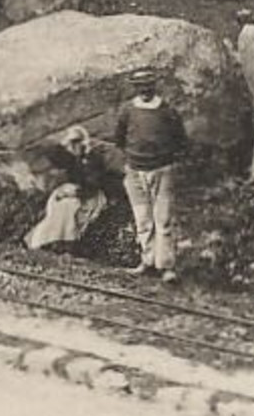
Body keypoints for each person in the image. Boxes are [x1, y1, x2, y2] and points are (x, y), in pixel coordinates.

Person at [113, 68, 188, 283]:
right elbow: (119, 138)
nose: (145, 90)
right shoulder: (127, 110)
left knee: (163, 219)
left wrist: (167, 161)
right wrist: (132, 161)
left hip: (162, 171)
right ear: (135, 88)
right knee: (143, 219)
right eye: (140, 87)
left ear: (155, 86)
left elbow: (181, 140)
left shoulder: (167, 111)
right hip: (135, 172)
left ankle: (166, 266)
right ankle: (147, 261)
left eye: (148, 86)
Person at [23, 126, 123, 252]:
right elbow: (71, 175)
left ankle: (66, 241)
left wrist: (74, 193)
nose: (71, 148)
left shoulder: (92, 159)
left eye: (74, 145)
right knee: (57, 202)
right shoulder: (76, 159)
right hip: (80, 192)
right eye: (70, 145)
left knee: (69, 207)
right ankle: (48, 240)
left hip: (93, 196)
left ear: (80, 144)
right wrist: (65, 190)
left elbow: (93, 185)